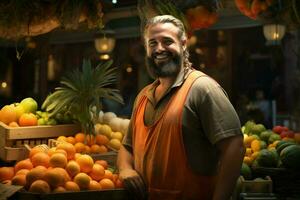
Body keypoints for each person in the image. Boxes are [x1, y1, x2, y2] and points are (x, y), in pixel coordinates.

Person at [117, 15, 245, 200]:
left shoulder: (202, 89)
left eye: (167, 41)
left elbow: (235, 147)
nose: (159, 48)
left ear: (183, 44)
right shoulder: (143, 96)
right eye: (152, 43)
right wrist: (125, 169)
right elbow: (127, 147)